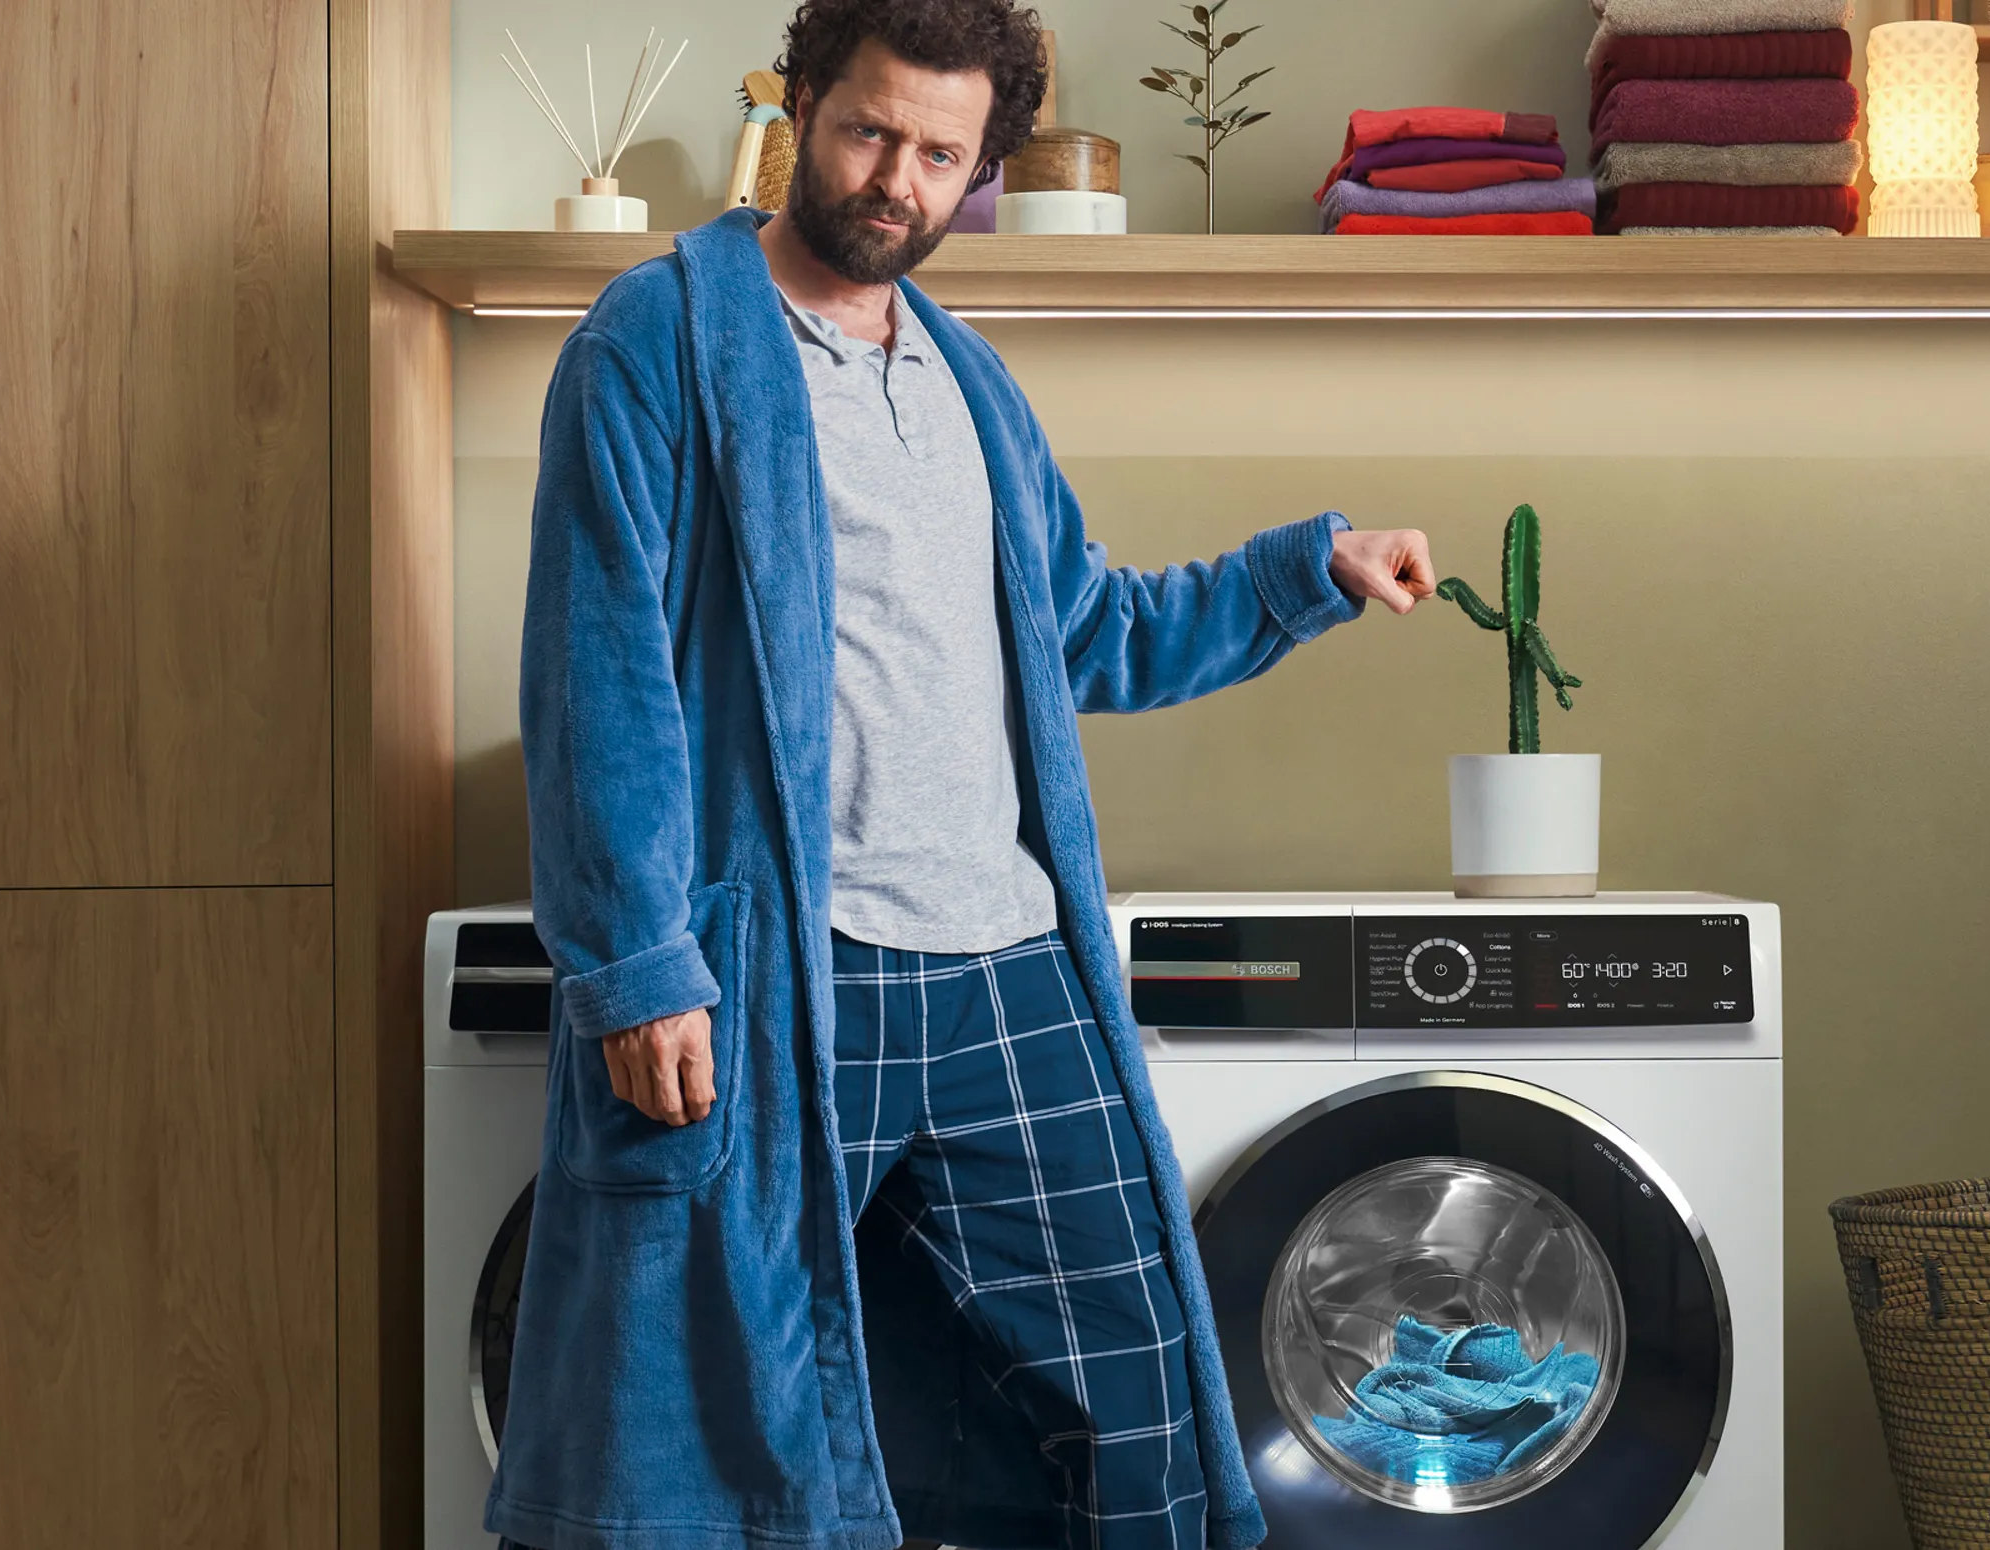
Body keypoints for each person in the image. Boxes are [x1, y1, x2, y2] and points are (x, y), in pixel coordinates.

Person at [485, 2, 1437, 1546]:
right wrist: (638, 961)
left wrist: (1306, 572)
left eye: (941, 154)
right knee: (722, 1429)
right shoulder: (655, 341)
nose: (895, 183)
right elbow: (599, 681)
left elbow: (1090, 633)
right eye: (868, 132)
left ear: (981, 164)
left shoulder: (970, 380)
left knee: (1144, 1406)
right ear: (803, 104)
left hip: (1009, 966)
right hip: (788, 977)